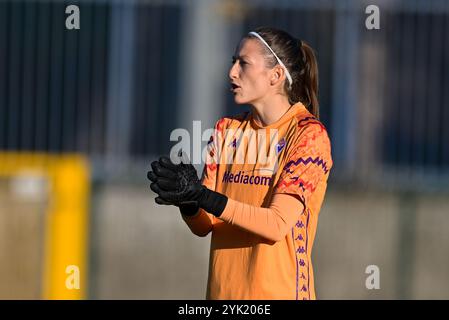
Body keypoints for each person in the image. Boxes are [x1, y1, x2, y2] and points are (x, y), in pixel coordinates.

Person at [147, 26, 333, 300]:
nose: (232, 72)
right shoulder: (227, 130)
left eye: (243, 63)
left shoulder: (308, 135)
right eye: (233, 62)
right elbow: (205, 225)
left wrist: (205, 197)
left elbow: (276, 224)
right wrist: (189, 202)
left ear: (276, 75)